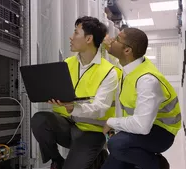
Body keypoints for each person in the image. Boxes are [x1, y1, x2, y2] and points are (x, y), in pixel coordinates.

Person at [30, 16, 120, 169]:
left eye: (76, 33)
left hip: (91, 131)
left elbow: (100, 108)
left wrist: (73, 107)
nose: (71, 37)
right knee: (40, 120)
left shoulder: (108, 72)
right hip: (66, 124)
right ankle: (57, 160)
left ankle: (98, 157)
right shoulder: (66, 63)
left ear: (89, 38)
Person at [100, 28, 181, 169]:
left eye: (117, 39)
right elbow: (118, 54)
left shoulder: (147, 81)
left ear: (127, 51)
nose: (112, 40)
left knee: (117, 144)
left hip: (161, 133)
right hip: (143, 127)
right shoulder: (132, 64)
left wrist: (111, 122)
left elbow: (142, 126)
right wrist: (107, 44)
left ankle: (156, 165)